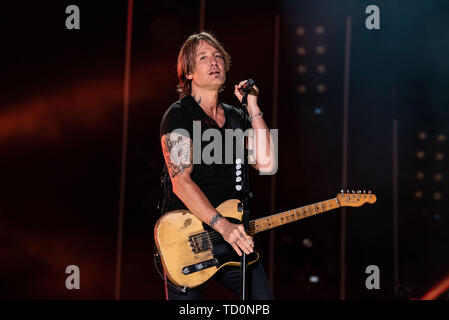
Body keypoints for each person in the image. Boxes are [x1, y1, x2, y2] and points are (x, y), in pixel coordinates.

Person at [159, 31, 276, 300]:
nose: (214, 62)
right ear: (188, 72)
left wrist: (253, 108)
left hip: (232, 237)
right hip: (188, 237)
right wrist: (222, 225)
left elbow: (267, 163)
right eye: (203, 58)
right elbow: (181, 181)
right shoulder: (179, 114)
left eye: (218, 57)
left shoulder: (237, 117)